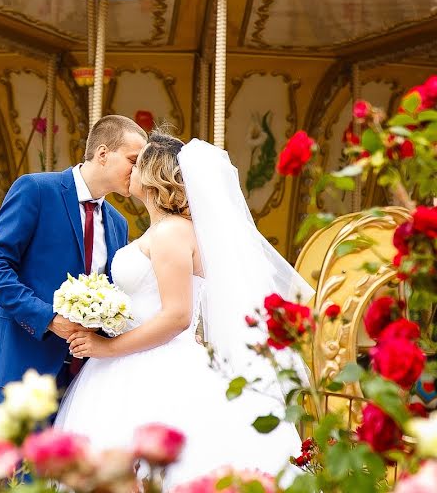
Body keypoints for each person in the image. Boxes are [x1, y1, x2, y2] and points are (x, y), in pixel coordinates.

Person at [55, 131, 311, 487]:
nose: (130, 169)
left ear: (153, 171)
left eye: (138, 161)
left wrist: (106, 348)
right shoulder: (157, 231)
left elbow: (177, 316)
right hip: (128, 360)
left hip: (157, 363)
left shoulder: (171, 233)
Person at [0, 115, 147, 394]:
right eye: (134, 160)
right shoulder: (35, 190)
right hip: (27, 364)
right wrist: (47, 318)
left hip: (88, 373)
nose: (138, 171)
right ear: (103, 154)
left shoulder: (118, 223)